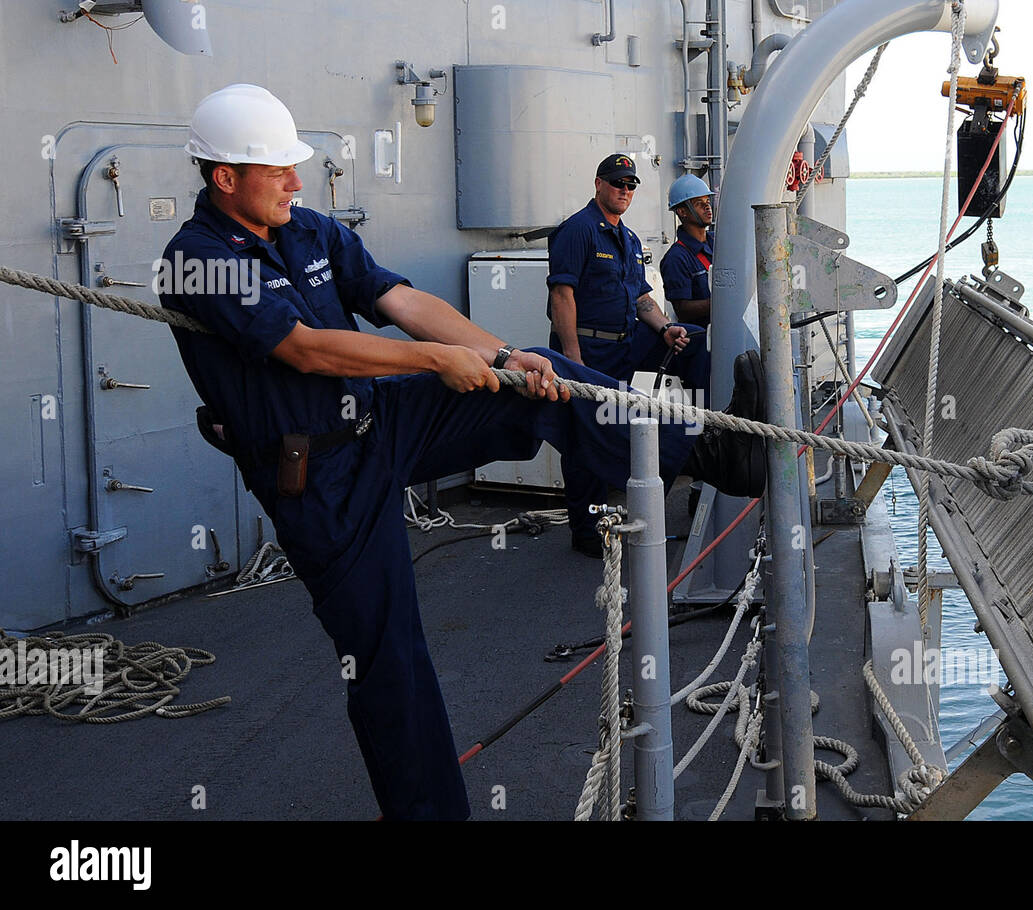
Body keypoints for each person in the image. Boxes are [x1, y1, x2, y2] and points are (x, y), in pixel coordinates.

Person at [160, 84, 765, 820]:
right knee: (389, 659)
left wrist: (501, 351)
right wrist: (433, 362)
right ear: (225, 178)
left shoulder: (311, 231)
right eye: (277, 170)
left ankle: (708, 452)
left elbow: (402, 302)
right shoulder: (194, 260)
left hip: (379, 422)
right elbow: (308, 350)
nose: (296, 180)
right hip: (318, 479)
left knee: (542, 376)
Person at [547, 155, 712, 556]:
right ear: (599, 184)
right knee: (586, 435)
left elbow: (641, 296)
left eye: (631, 184)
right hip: (588, 346)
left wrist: (665, 328)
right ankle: (586, 530)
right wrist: (573, 359)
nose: (625, 189)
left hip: (626, 340)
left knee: (693, 341)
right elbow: (562, 294)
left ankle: (697, 444)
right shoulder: (578, 231)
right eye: (618, 182)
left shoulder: (630, 239)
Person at [659, 174, 716, 328]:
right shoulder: (676, 258)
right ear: (682, 212)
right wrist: (721, 302)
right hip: (703, 341)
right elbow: (682, 310)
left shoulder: (719, 243)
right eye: (699, 203)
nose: (707, 207)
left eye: (707, 201)